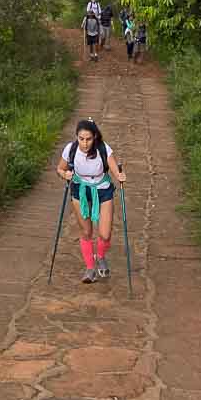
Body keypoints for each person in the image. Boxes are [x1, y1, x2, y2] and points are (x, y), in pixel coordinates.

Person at [55, 119, 126, 283]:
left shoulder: (103, 148)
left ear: (95, 137)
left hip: (102, 189)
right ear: (77, 137)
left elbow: (115, 169)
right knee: (86, 232)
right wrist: (64, 174)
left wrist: (120, 175)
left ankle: (100, 256)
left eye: (88, 139)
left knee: (105, 234)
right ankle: (89, 269)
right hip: (80, 190)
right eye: (81, 139)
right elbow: (60, 168)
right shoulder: (71, 149)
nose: (84, 143)